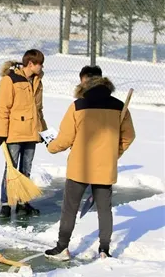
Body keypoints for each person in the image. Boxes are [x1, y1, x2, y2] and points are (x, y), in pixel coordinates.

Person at [44, 71, 135, 261]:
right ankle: (104, 250)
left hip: (80, 166)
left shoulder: (78, 106)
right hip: (105, 166)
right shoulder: (120, 107)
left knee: (70, 207)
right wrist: (114, 153)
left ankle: (62, 248)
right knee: (104, 209)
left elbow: (65, 139)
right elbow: (128, 136)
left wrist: (50, 147)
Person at [0, 49, 48, 219]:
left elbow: (38, 110)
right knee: (11, 169)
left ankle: (22, 202)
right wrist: (1, 133)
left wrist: (44, 132)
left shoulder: (38, 82)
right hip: (14, 133)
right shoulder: (10, 80)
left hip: (32, 133)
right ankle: (5, 203)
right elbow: (2, 108)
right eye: (40, 63)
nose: (42, 67)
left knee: (26, 169)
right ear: (30, 64)